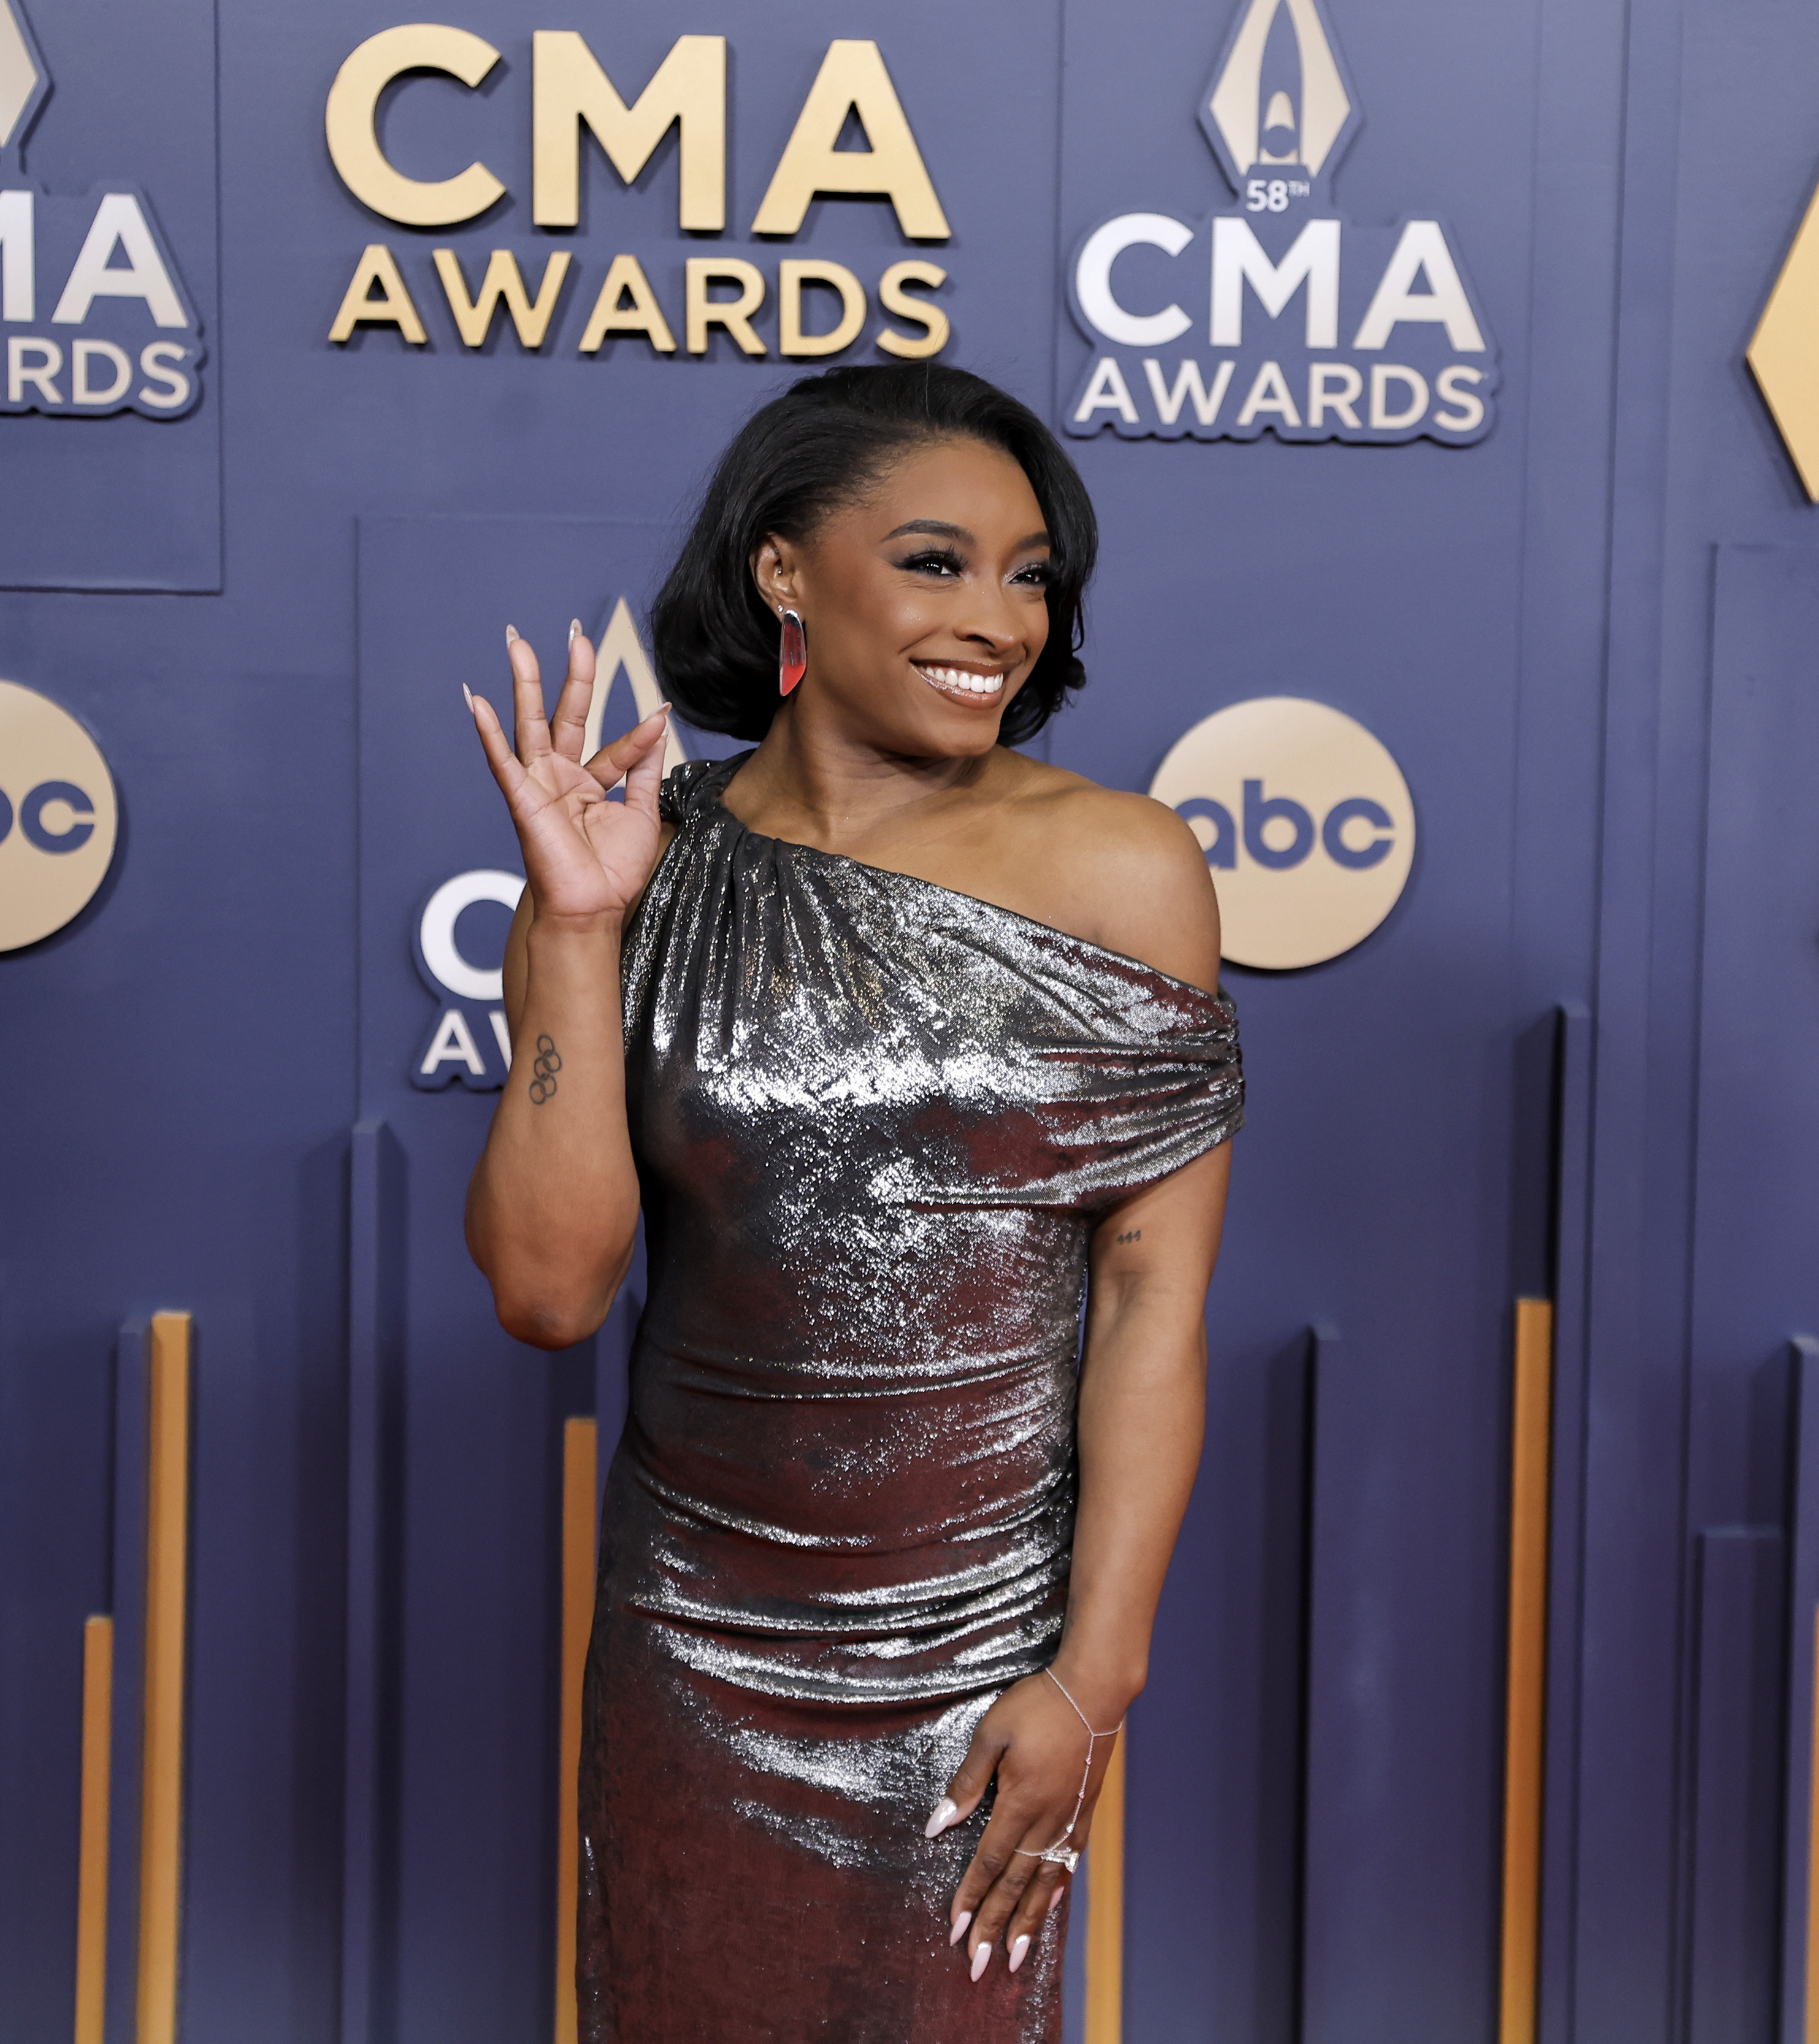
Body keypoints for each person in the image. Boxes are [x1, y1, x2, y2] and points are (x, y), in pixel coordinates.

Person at [461, 362, 1242, 2043]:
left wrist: (1094, 1680)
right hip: (694, 1640)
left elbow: (1152, 1302)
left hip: (973, 1660)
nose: (1001, 619)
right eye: (938, 560)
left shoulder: (1128, 870)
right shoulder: (629, 861)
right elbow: (548, 1290)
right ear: (785, 571)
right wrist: (579, 935)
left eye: (1031, 574)